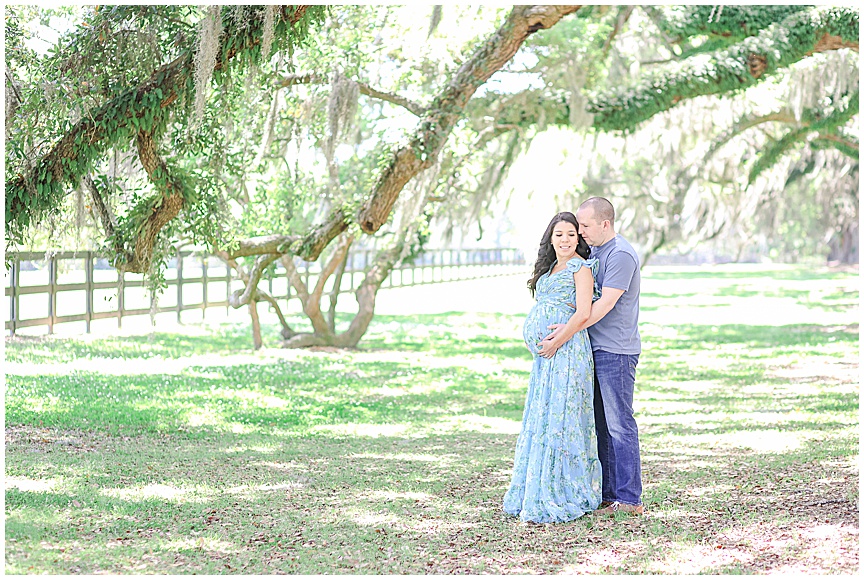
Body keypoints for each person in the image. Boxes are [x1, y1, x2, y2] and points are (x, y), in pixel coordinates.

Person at [539, 197, 643, 515]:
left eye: (584, 226)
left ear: (604, 224)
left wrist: (563, 335)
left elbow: (601, 307)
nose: (580, 232)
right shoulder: (596, 251)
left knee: (619, 425)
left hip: (616, 351)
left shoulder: (621, 255)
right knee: (600, 425)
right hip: (592, 350)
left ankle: (629, 499)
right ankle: (610, 495)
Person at [503, 212, 602, 523]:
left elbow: (584, 312)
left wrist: (557, 340)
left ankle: (565, 488)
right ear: (551, 238)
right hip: (547, 357)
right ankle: (538, 482)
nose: (565, 240)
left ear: (578, 239)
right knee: (544, 414)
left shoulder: (580, 268)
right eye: (559, 234)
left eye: (571, 234)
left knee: (564, 415)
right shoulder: (550, 268)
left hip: (568, 352)